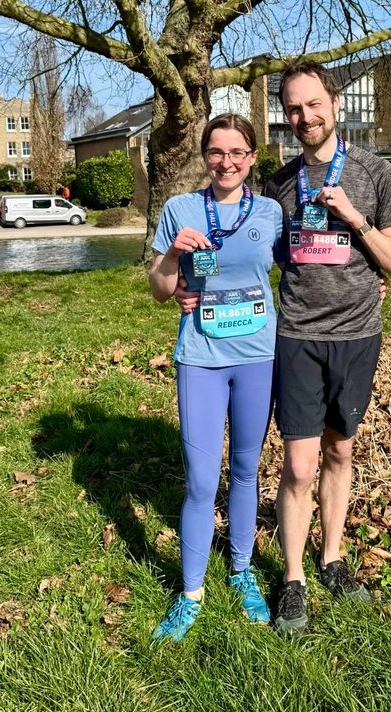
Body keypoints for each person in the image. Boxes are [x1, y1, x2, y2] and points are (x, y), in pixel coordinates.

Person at [263, 61, 391, 634]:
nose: (305, 117)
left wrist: (355, 221)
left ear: (335, 102)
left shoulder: (375, 173)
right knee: (299, 464)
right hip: (298, 335)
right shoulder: (278, 183)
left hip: (357, 336)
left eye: (313, 105)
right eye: (294, 109)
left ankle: (332, 560)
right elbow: (273, 258)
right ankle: (294, 579)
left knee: (340, 453)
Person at [148, 113, 283, 643]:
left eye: (237, 153)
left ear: (252, 157)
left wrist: (369, 288)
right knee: (203, 480)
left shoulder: (270, 212)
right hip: (201, 357)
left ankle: (243, 570)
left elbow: (302, 270)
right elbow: (160, 289)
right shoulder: (180, 209)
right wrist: (176, 257)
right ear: (205, 156)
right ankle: (191, 593)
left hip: (257, 356)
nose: (226, 162)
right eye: (216, 152)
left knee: (247, 470)